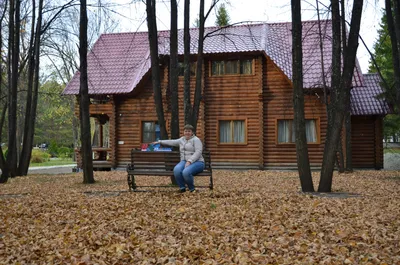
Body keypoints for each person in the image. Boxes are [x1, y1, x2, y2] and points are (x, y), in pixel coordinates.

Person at [153, 124, 204, 192]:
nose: (187, 133)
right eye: (186, 131)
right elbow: (172, 142)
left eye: (189, 131)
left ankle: (192, 189)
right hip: (184, 161)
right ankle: (182, 188)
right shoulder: (181, 140)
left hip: (198, 162)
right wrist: (159, 141)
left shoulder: (196, 140)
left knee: (186, 172)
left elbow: (198, 152)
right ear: (183, 132)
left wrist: (190, 161)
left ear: (192, 132)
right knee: (176, 170)